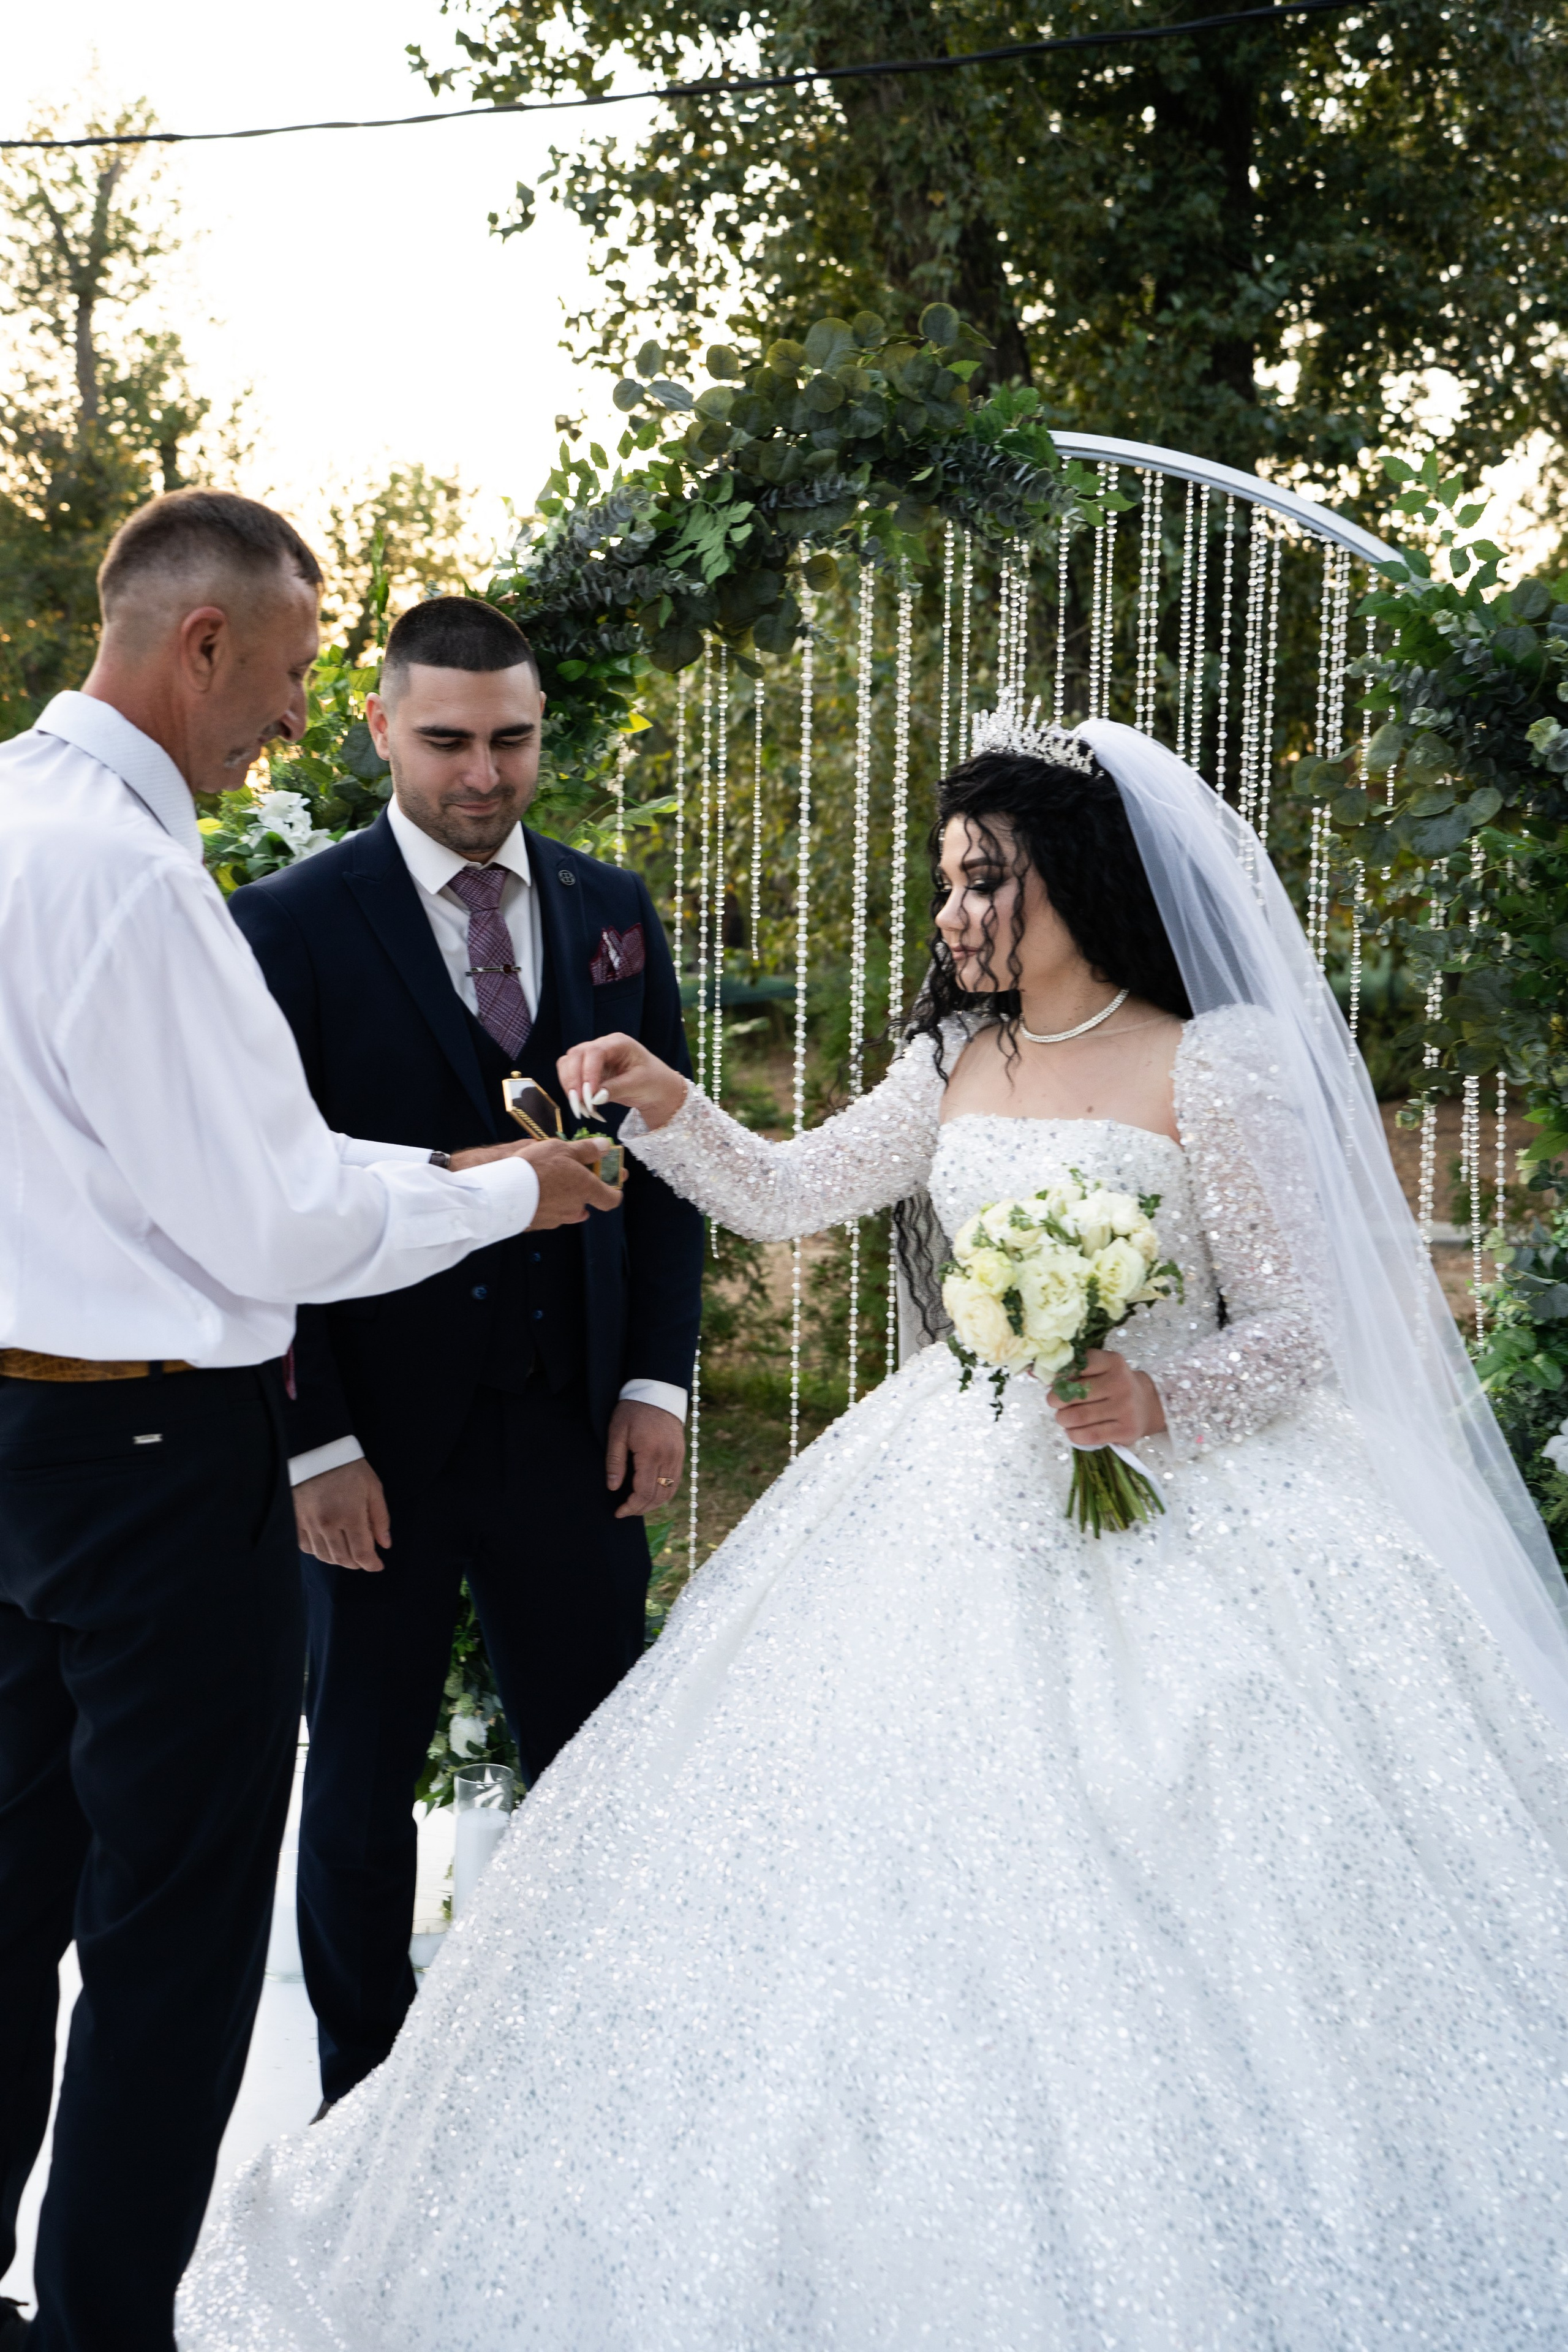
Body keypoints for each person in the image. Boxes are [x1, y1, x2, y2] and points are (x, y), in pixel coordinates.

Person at [180, 712, 1568, 2349]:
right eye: (948, 882)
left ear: (1081, 881)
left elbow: (1312, 1324)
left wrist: (1165, 1399)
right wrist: (661, 1097)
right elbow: (783, 1189)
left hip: (1201, 1508)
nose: (958, 913)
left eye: (989, 879)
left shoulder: (1223, 1062)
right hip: (952, 1495)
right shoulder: (954, 1061)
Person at [0, 491, 622, 2352]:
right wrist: (514, 1194)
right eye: (281, 682)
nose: (286, 723)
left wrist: (429, 1165)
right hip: (151, 1466)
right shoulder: (128, 873)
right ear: (201, 645)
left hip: (16, 1447)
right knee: (177, 1940)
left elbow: (163, 1167)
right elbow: (269, 1221)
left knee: (7, 1894)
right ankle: (104, 2328)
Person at [226, 595, 703, 2116]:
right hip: (371, 1437)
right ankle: (360, 2106)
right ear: (378, 728)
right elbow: (262, 1194)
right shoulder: (289, 924)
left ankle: (581, 2081)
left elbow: (674, 1166)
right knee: (357, 1788)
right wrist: (311, 1444)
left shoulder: (610, 905)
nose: (483, 774)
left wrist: (652, 1382)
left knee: (595, 1770)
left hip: (575, 1428)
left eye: (511, 739)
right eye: (446, 741)